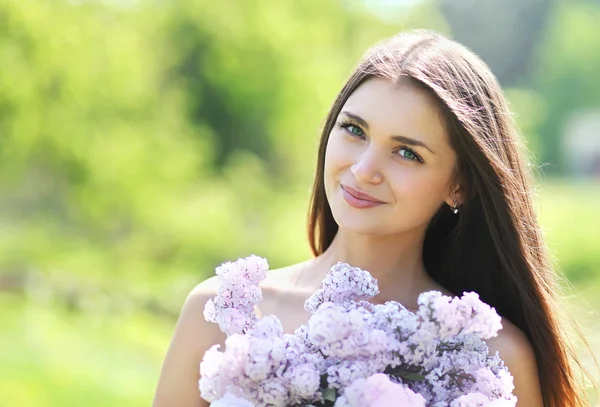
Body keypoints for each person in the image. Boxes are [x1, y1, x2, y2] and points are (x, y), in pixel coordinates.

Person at [152, 30, 589, 407]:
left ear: (459, 185)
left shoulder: (493, 355)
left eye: (407, 153)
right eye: (354, 130)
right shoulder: (222, 314)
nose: (363, 169)